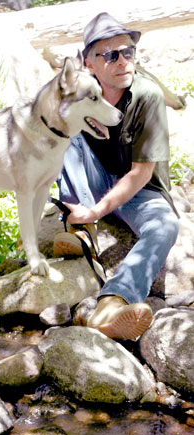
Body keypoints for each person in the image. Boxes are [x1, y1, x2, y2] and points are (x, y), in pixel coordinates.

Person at [53, 12, 180, 340]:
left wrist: (97, 209)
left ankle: (113, 301)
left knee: (166, 225)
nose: (123, 61)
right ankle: (82, 231)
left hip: (141, 191)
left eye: (128, 52)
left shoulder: (147, 96)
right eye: (111, 54)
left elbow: (141, 174)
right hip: (93, 180)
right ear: (89, 63)